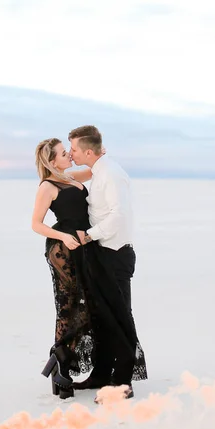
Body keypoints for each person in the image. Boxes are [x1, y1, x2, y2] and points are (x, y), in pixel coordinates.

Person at [32, 135, 147, 401]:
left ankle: (96, 369)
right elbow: (36, 224)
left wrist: (98, 154)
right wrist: (63, 237)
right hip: (67, 248)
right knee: (71, 307)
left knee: (91, 308)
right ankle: (61, 360)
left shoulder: (71, 176)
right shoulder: (48, 186)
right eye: (63, 153)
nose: (69, 156)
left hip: (87, 246)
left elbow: (93, 167)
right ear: (51, 161)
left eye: (69, 151)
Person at [69, 125, 147, 397]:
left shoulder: (111, 174)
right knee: (101, 317)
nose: (71, 153)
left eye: (75, 149)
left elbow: (119, 215)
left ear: (88, 151)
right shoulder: (99, 170)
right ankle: (101, 374)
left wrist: (89, 235)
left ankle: (124, 382)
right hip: (103, 254)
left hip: (115, 255)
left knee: (119, 317)